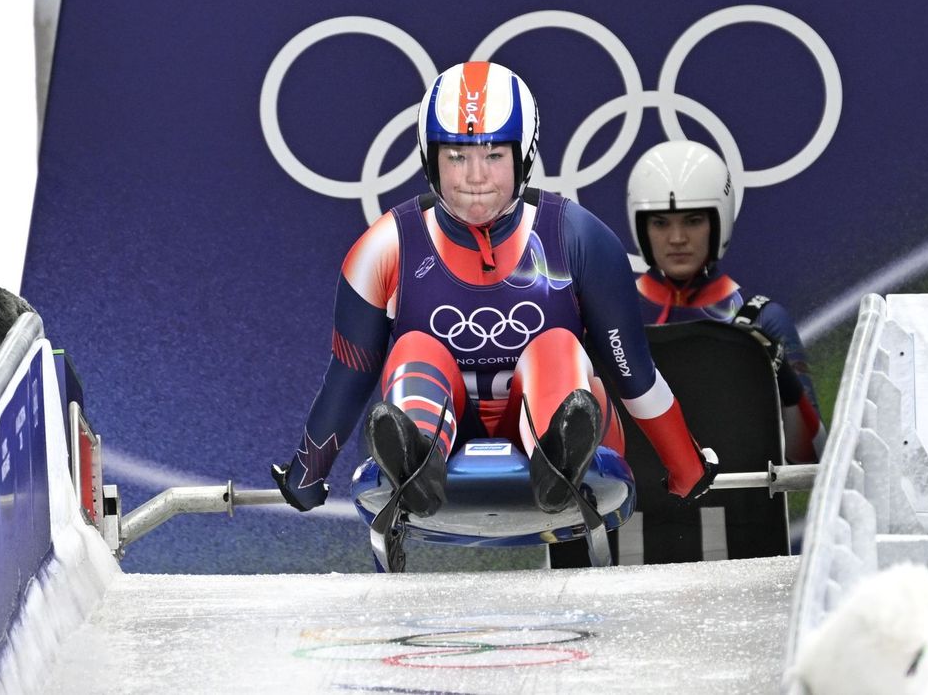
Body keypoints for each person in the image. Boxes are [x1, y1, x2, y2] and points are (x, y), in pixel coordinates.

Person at [271, 61, 718, 523]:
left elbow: (633, 373)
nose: (475, 176)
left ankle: (557, 455)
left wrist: (683, 466)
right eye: (456, 156)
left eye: (493, 155)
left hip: (560, 414)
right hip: (445, 426)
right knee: (414, 348)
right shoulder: (383, 249)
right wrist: (307, 474)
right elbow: (349, 375)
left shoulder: (577, 238)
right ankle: (418, 460)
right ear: (430, 159)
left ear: (523, 156)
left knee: (557, 347)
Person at [625, 139, 825, 463]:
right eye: (660, 222)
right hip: (637, 511)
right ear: (642, 228)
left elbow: (813, 460)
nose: (677, 238)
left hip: (742, 510)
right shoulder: (612, 313)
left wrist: (784, 379)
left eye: (693, 220)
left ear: (718, 222)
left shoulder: (764, 319)